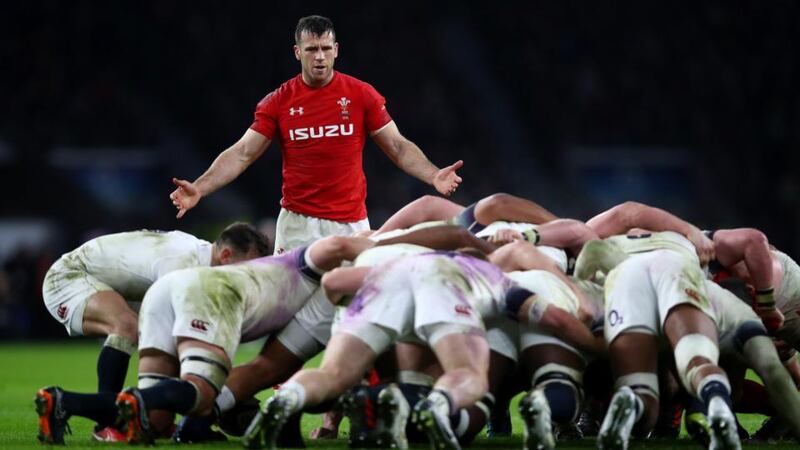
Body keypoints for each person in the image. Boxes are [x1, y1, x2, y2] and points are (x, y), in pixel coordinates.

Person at [34, 235, 373, 445]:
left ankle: (65, 402)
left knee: (158, 419)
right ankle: (121, 415)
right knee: (193, 388)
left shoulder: (299, 296)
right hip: (86, 277)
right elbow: (339, 244)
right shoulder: (306, 272)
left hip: (161, 297)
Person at [168, 15, 463, 253]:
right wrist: (201, 187)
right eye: (311, 49)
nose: (319, 57)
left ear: (336, 50)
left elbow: (398, 147)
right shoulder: (279, 101)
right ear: (298, 53)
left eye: (325, 48)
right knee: (287, 310)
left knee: (349, 305)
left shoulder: (361, 95)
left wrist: (433, 174)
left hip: (351, 224)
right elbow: (243, 153)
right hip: (298, 226)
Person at [39, 223, 268, 441]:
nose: (246, 279)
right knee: (126, 327)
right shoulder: (184, 264)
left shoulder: (199, 263)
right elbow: (181, 341)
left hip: (110, 285)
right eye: (246, 269)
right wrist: (216, 396)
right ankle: (106, 425)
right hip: (69, 276)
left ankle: (73, 406)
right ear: (226, 255)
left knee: (157, 419)